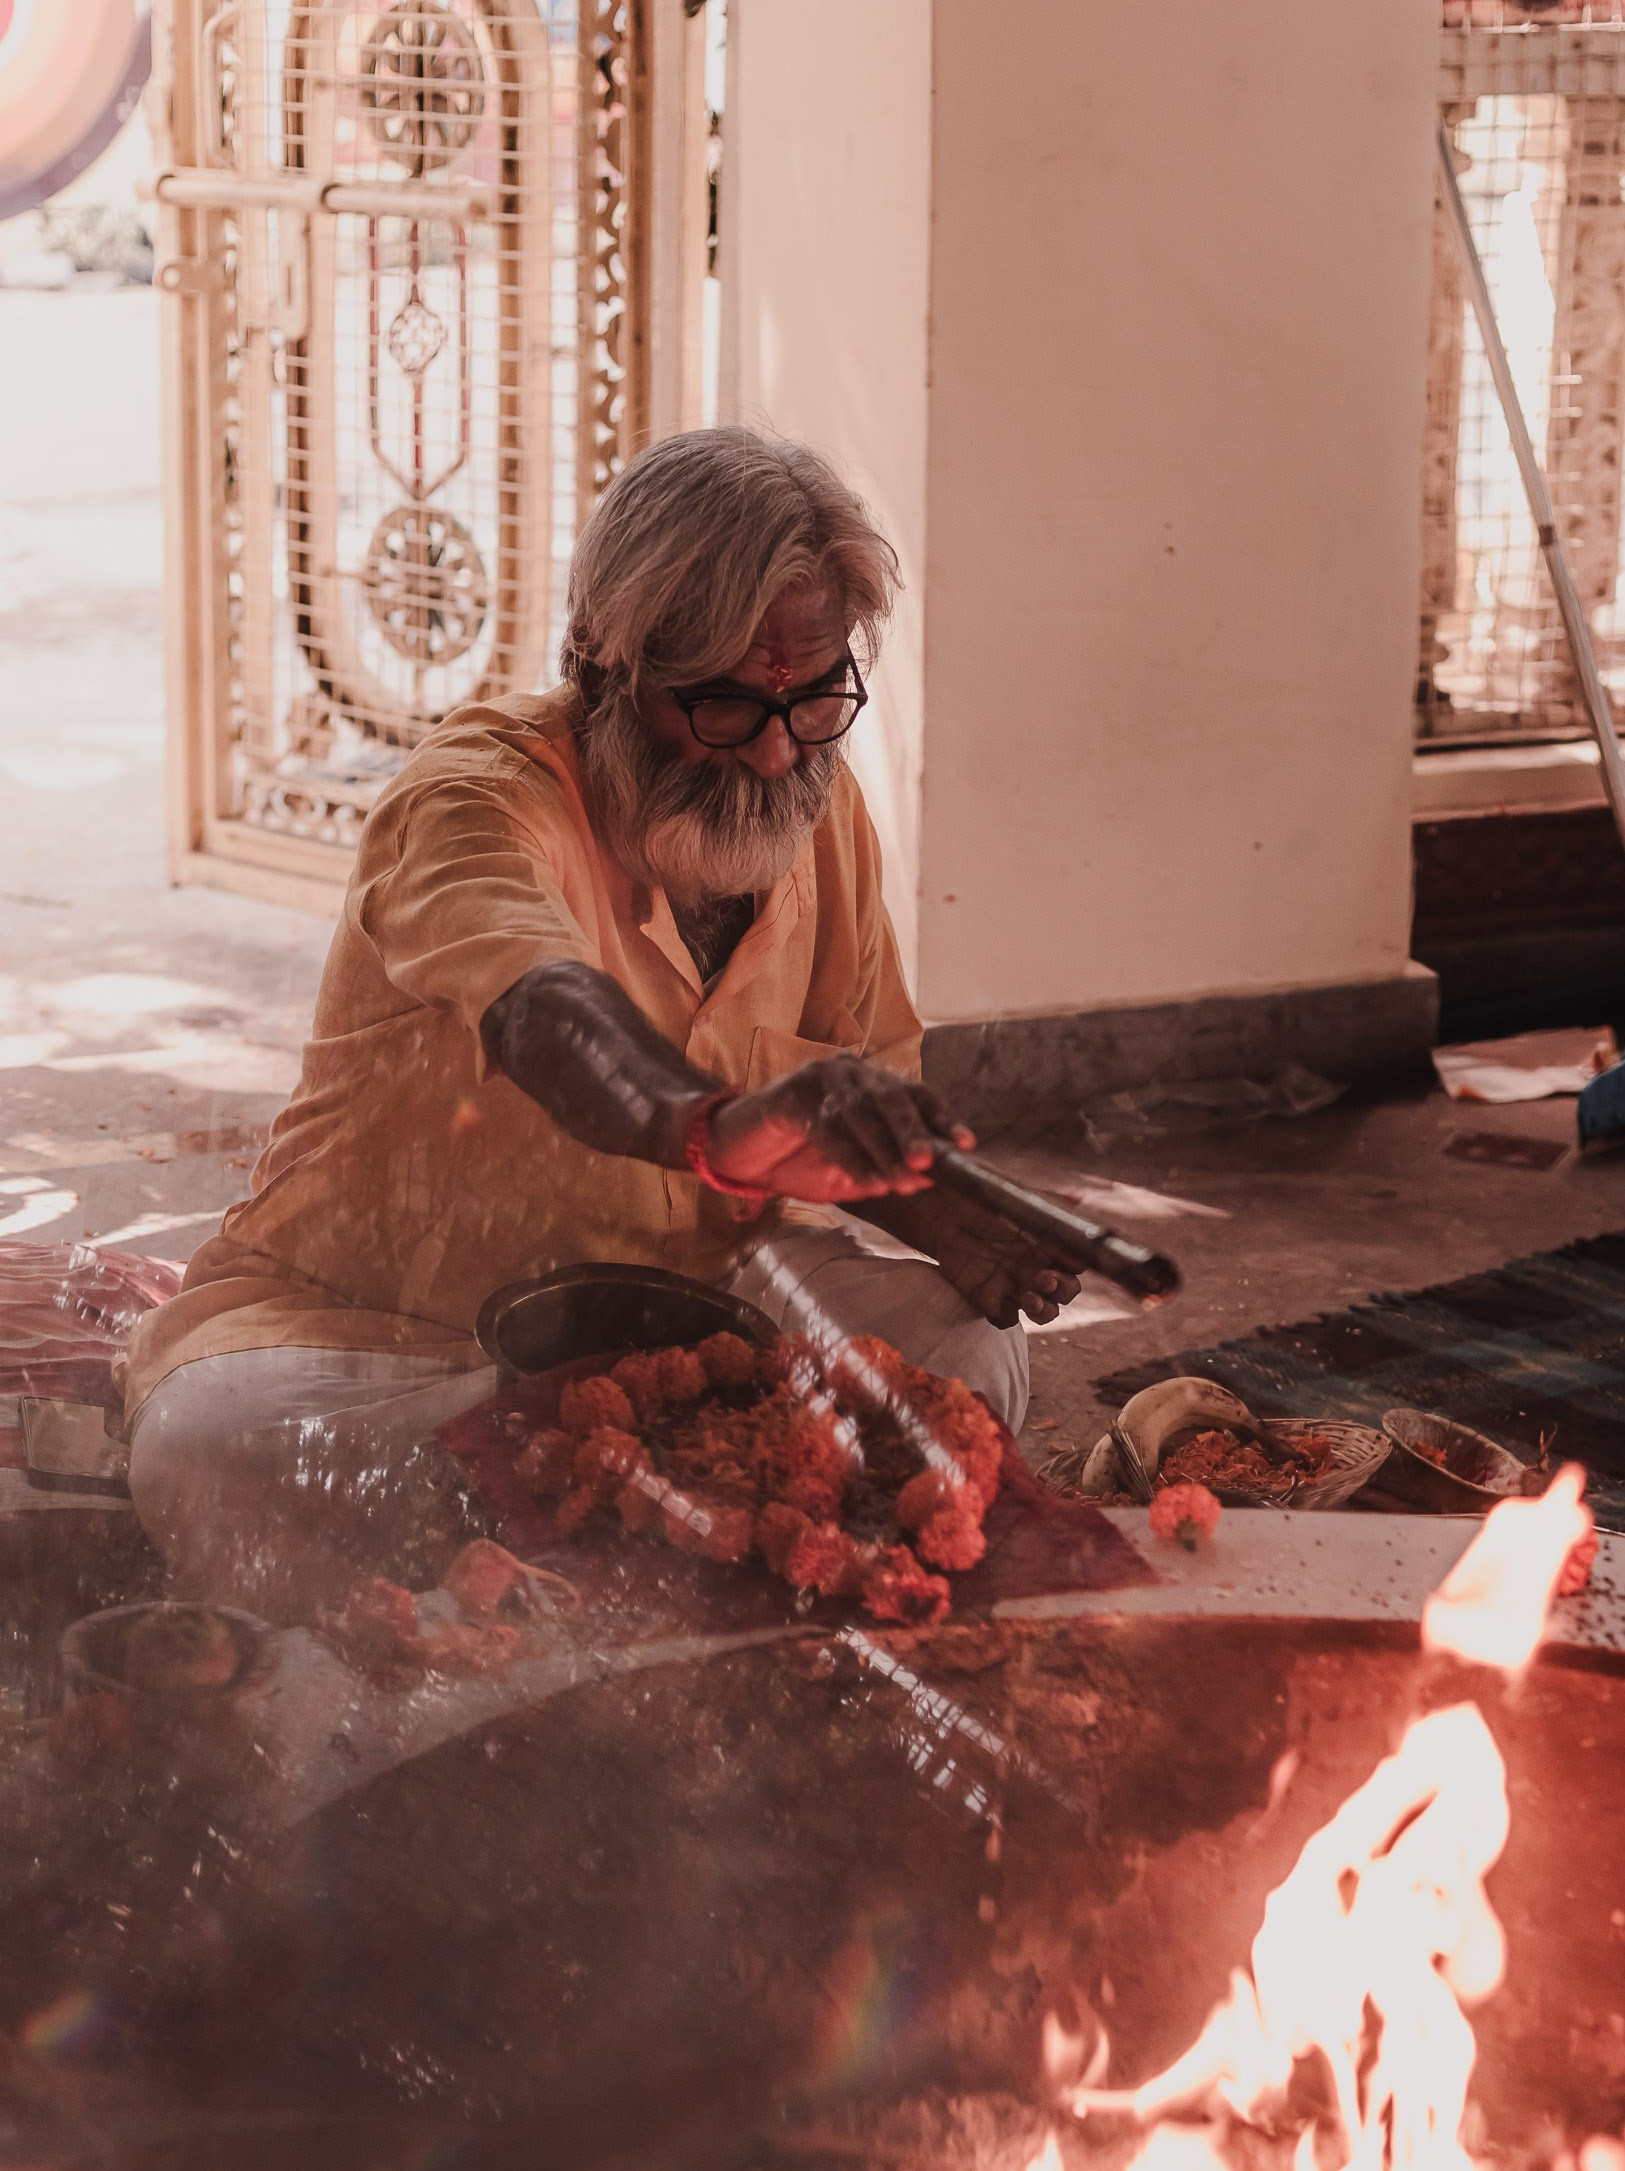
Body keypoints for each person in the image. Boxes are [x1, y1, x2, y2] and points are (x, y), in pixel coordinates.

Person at [122, 428, 1076, 1611]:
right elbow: (547, 1013)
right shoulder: (473, 799)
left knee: (968, 1349)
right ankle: (607, 1543)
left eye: (817, 696)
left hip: (705, 1310)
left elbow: (854, 1107)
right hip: (401, 1332)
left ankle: (626, 1521)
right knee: (211, 1446)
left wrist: (926, 1201)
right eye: (722, 703)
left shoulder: (821, 813)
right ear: (596, 659)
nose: (775, 752)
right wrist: (720, 1127)